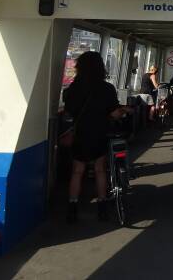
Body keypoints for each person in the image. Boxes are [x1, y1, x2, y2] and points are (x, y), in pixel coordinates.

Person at [64, 51, 131, 223]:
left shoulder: (72, 89)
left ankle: (72, 208)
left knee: (77, 171)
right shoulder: (106, 89)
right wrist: (124, 111)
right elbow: (114, 113)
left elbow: (68, 112)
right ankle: (102, 207)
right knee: (100, 170)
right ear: (100, 67)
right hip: (100, 133)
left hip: (80, 134)